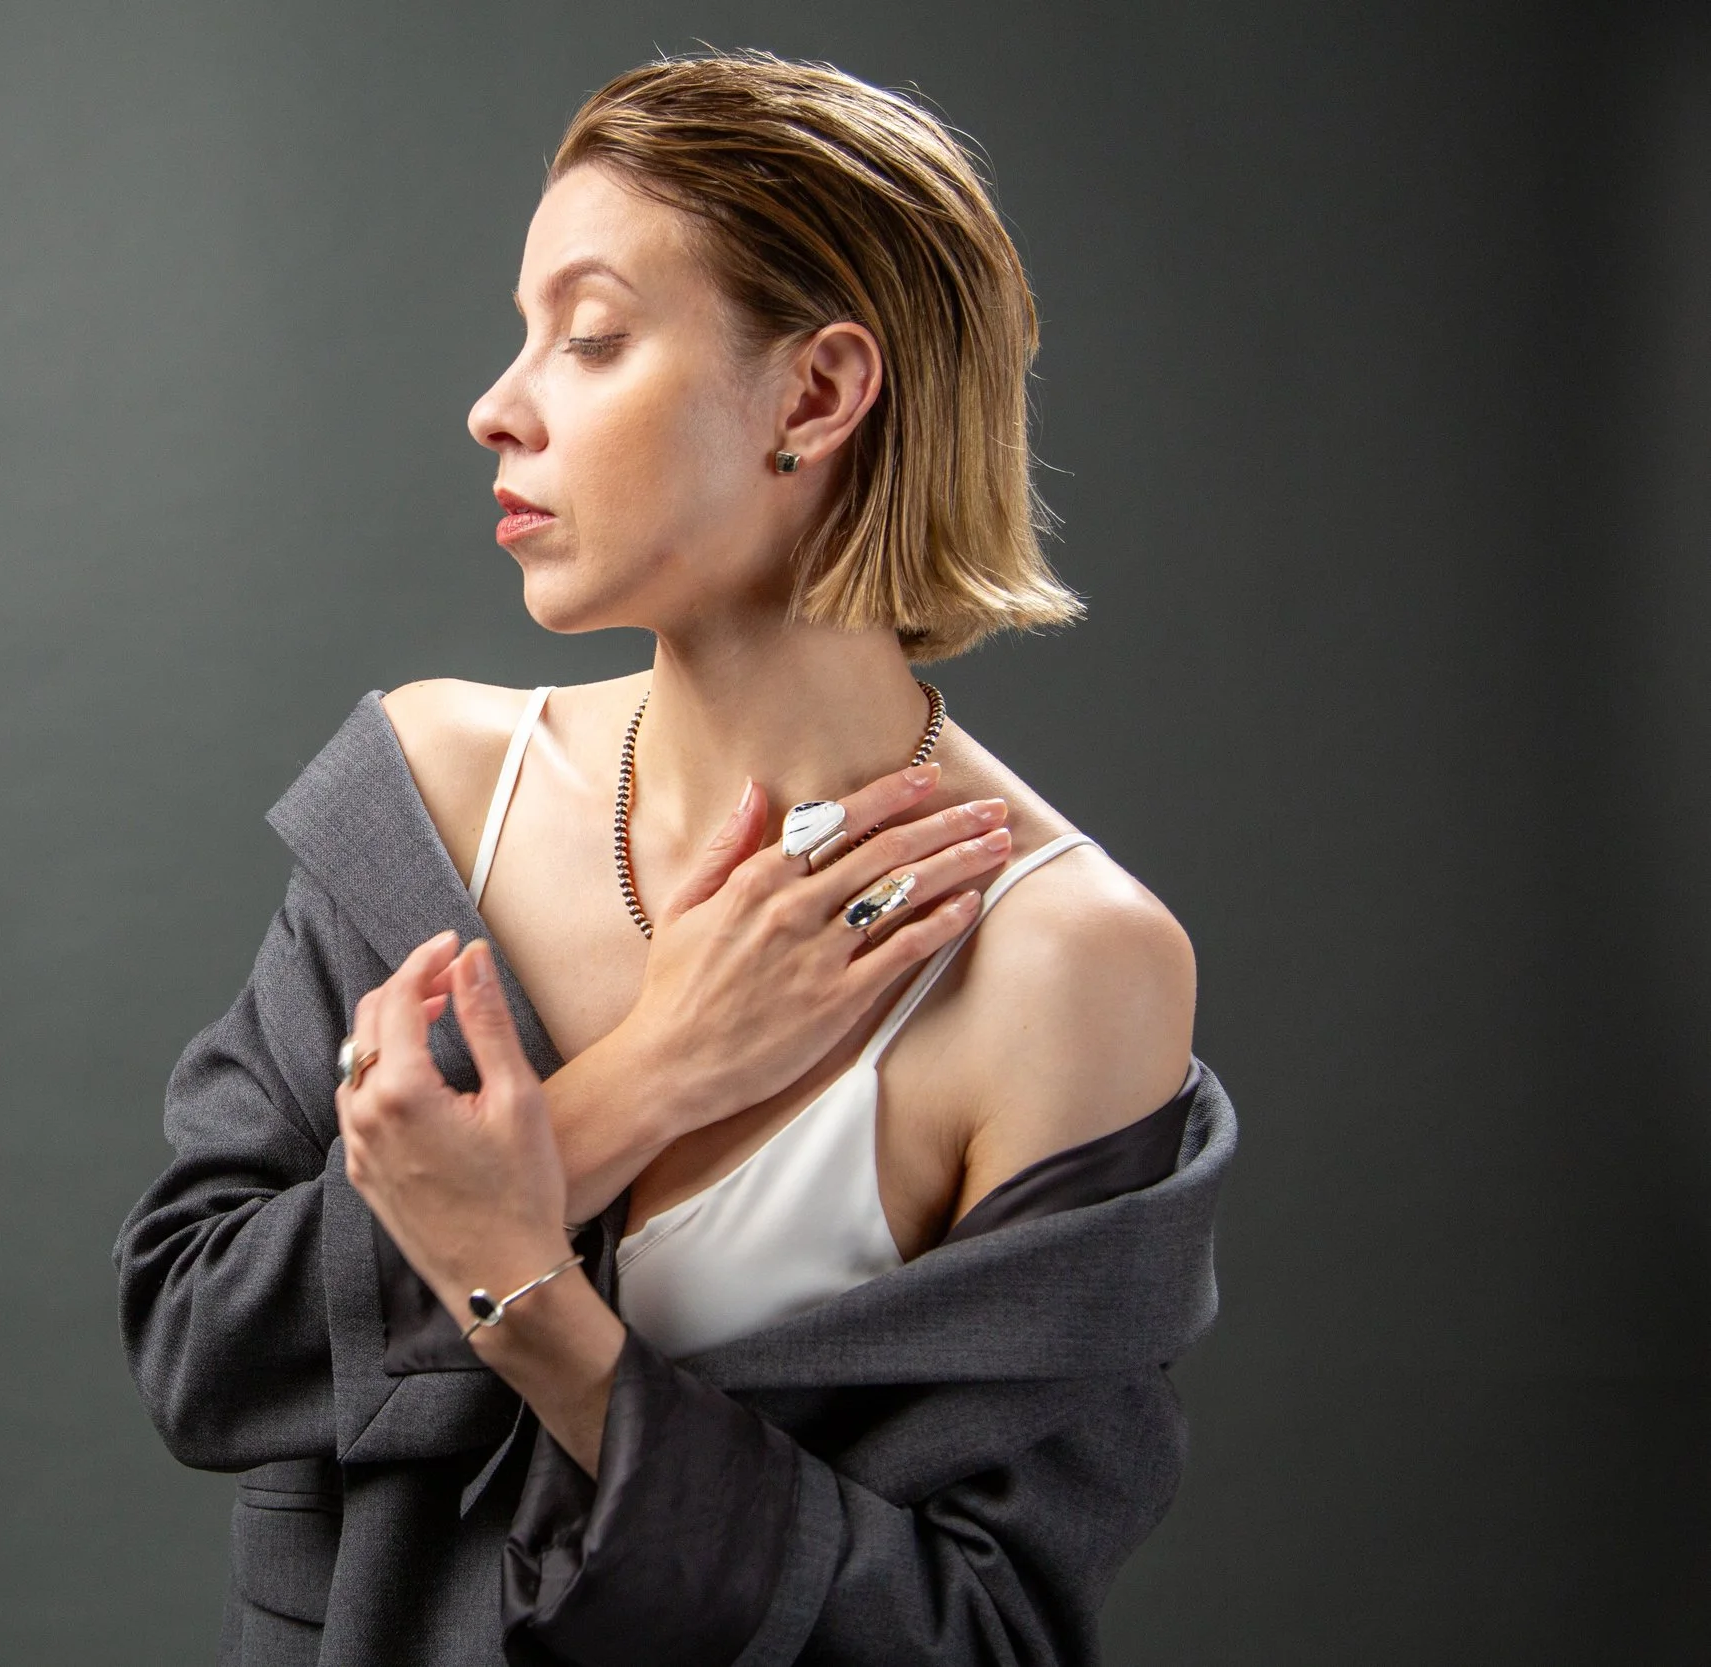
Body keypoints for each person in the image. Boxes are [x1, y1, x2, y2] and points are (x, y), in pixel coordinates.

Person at [118, 49, 1235, 1667]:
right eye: (527, 339)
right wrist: (649, 1074)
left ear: (817, 394)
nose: (500, 403)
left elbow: (977, 1632)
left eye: (590, 337)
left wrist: (530, 1294)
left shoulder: (1067, 963)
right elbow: (201, 1350)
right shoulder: (432, 795)